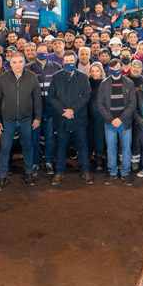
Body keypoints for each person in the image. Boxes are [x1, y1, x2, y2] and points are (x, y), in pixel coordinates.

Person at [0, 52, 42, 190]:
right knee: (5, 149)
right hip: (7, 120)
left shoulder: (32, 77)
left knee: (28, 147)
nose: (18, 65)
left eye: (20, 62)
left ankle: (29, 173)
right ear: (10, 63)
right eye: (15, 62)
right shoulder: (2, 78)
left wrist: (37, 117)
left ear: (24, 62)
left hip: (26, 120)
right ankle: (2, 177)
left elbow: (37, 98)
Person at [48, 51, 92, 185]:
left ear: (75, 60)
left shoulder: (83, 77)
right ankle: (59, 172)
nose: (69, 64)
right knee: (61, 145)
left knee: (82, 145)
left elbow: (86, 95)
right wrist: (64, 111)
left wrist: (73, 110)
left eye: (71, 61)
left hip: (78, 117)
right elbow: (52, 96)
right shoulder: (56, 77)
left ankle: (86, 171)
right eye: (66, 61)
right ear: (63, 62)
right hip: (61, 118)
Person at [97, 59, 137, 185]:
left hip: (125, 123)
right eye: (113, 68)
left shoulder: (129, 83)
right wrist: (111, 119)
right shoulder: (104, 84)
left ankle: (125, 173)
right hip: (110, 123)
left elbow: (132, 103)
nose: (115, 70)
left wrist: (121, 118)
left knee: (126, 149)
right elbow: (100, 104)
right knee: (111, 149)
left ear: (121, 67)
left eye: (118, 67)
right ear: (109, 69)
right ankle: (112, 172)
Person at [28, 44, 61, 176]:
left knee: (49, 137)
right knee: (34, 137)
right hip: (34, 109)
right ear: (35, 53)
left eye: (44, 51)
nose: (42, 53)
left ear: (48, 52)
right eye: (39, 51)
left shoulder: (56, 67)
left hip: (50, 109)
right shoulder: (28, 67)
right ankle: (35, 163)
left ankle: (48, 161)